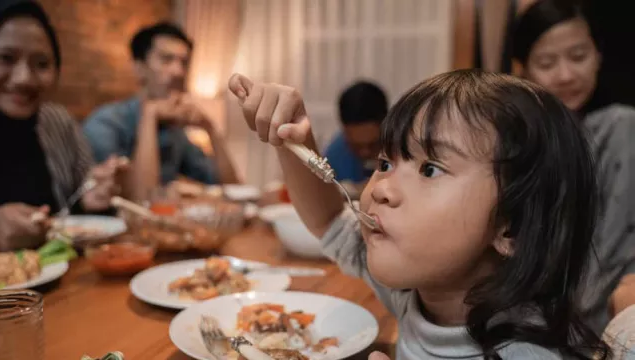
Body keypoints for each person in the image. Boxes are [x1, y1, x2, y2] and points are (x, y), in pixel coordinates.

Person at [228, 69, 611, 359]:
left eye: (429, 169)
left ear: (512, 227)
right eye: (385, 162)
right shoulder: (420, 293)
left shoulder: (526, 352)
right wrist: (294, 141)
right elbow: (330, 220)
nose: (380, 188)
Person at [512, 0, 635, 335]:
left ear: (598, 56)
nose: (566, 74)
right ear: (522, 69)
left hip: (609, 324)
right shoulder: (515, 145)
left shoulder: (622, 128)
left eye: (579, 56)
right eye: (547, 62)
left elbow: (607, 257)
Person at [0, 0, 127, 251]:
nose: (24, 78)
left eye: (41, 64)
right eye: (5, 58)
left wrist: (93, 198)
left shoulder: (58, 121)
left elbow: (77, 204)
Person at [83, 22, 239, 202]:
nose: (178, 71)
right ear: (139, 67)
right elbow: (142, 201)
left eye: (184, 63)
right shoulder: (105, 123)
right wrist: (149, 115)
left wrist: (210, 128)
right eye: (166, 60)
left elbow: (233, 189)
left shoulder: (174, 131)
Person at [324, 81, 387, 186]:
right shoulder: (335, 154)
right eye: (356, 146)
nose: (365, 152)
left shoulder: (403, 151)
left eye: (373, 144)